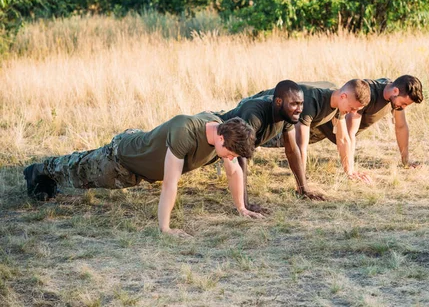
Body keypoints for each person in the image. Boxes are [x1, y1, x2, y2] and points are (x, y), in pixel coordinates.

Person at [23, 114, 263, 236]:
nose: (230, 158)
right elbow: (170, 184)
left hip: (138, 169)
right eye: (231, 153)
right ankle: (37, 171)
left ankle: (44, 176)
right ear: (221, 138)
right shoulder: (185, 132)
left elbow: (234, 173)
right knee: (75, 171)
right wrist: (165, 229)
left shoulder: (222, 131)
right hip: (122, 159)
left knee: (78, 174)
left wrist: (241, 208)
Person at [252, 79, 371, 191]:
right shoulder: (310, 102)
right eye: (352, 108)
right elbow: (300, 146)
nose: (353, 112)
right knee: (244, 143)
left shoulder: (338, 104)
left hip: (275, 122)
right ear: (343, 96)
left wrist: (349, 172)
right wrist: (302, 187)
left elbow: (343, 139)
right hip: (256, 116)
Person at [215, 80, 313, 207]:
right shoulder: (254, 114)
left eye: (301, 104)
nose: (299, 109)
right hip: (214, 137)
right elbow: (240, 155)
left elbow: (292, 150)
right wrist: (245, 205)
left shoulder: (287, 114)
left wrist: (303, 189)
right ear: (279, 102)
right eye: (294, 104)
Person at [309, 76, 424, 181]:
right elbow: (349, 134)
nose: (403, 107)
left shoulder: (394, 94)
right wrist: (351, 172)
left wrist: (406, 161)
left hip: (338, 135)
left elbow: (401, 127)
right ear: (395, 91)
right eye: (404, 103)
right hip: (320, 125)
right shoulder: (368, 95)